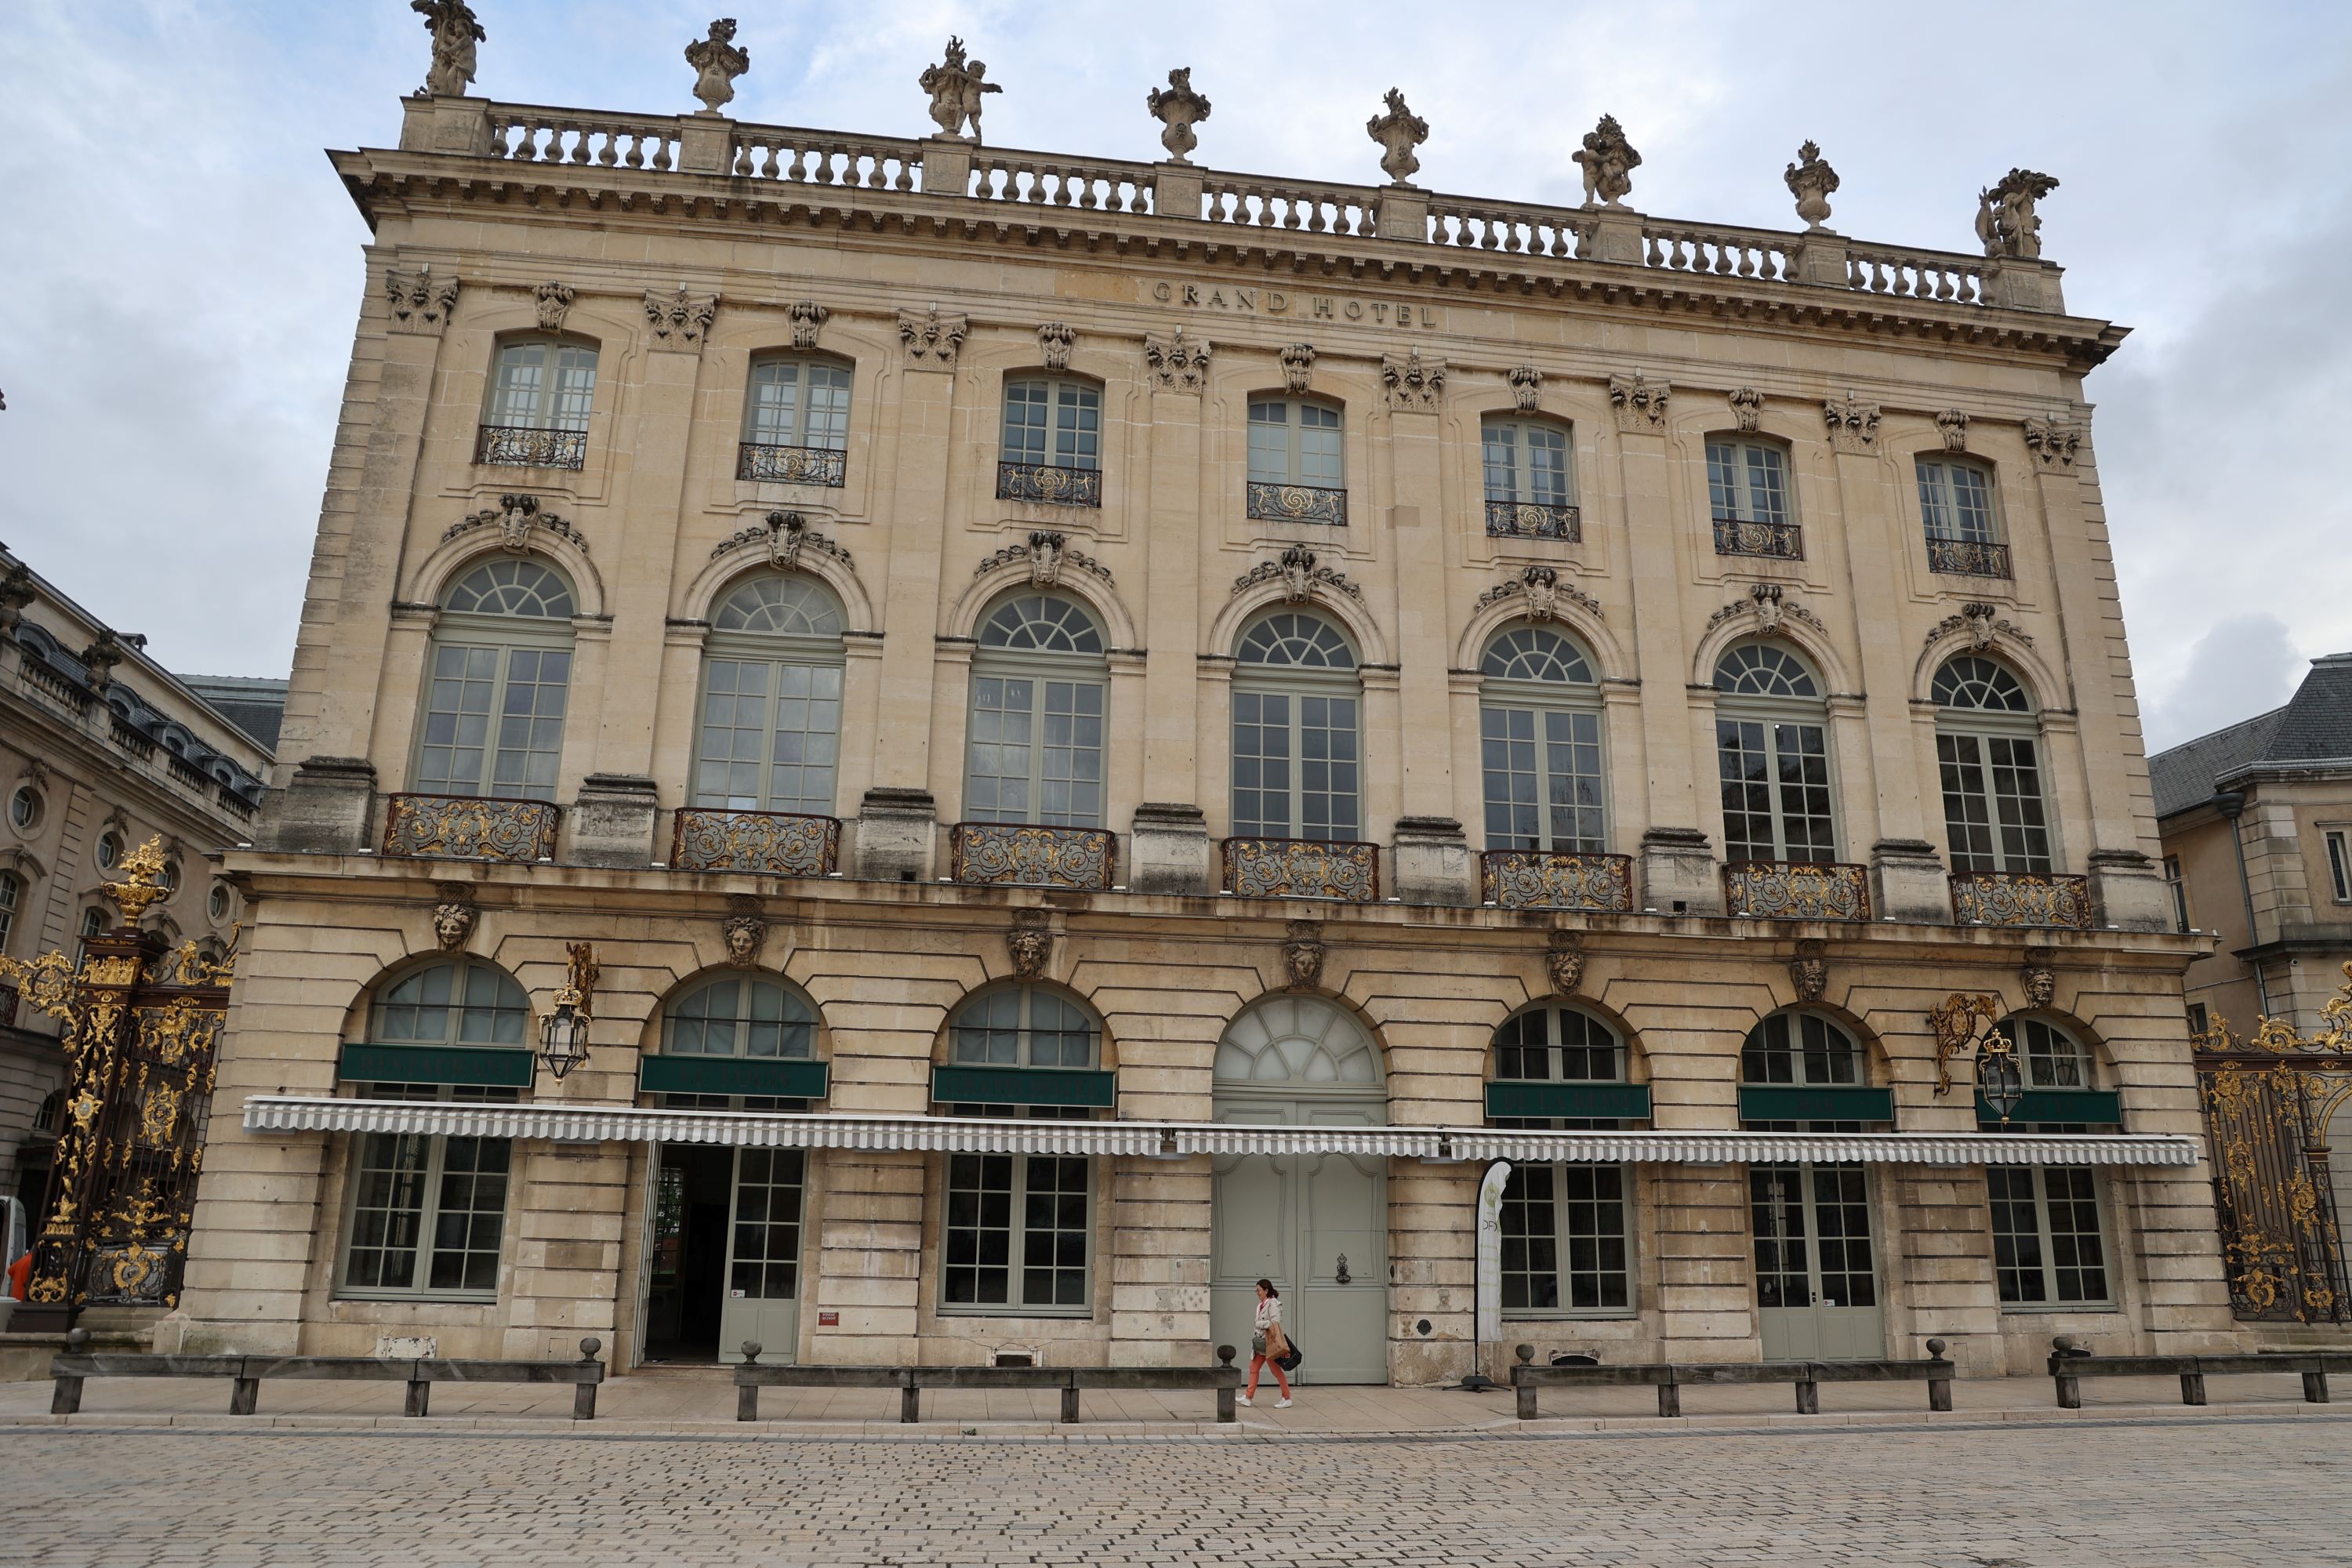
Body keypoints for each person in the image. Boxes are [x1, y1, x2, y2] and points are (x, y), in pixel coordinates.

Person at [1240, 1277, 1292, 1408]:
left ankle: (1287, 1398)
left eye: (1259, 1290)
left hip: (1269, 1344)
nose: (1257, 1293)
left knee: (1276, 1371)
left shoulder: (1273, 1303)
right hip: (1261, 1343)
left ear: (1266, 1290)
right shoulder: (1261, 1305)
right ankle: (1248, 1397)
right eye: (1256, 1291)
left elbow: (1275, 1322)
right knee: (1254, 1368)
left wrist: (1259, 1324)